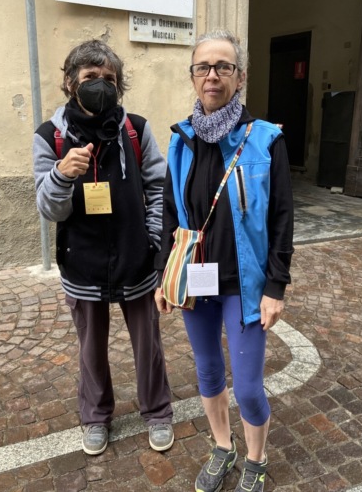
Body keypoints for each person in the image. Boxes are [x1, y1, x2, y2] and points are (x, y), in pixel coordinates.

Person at [155, 30, 294, 492]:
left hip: (244, 283)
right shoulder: (181, 140)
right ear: (193, 76)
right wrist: (162, 275)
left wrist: (275, 286)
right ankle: (222, 446)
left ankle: (256, 458)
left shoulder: (266, 140)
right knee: (208, 371)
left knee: (249, 387)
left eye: (223, 67)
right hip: (196, 278)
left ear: (240, 76)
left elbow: (282, 218)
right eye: (203, 67)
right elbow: (170, 213)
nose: (212, 75)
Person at [33, 39, 174, 456]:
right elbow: (49, 209)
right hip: (82, 263)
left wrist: (153, 242)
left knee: (148, 345)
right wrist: (61, 174)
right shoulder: (49, 137)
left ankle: (158, 411)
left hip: (136, 260)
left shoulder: (137, 129)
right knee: (91, 349)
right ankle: (96, 417)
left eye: (109, 79)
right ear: (70, 82)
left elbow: (158, 189)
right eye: (90, 77)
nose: (101, 85)